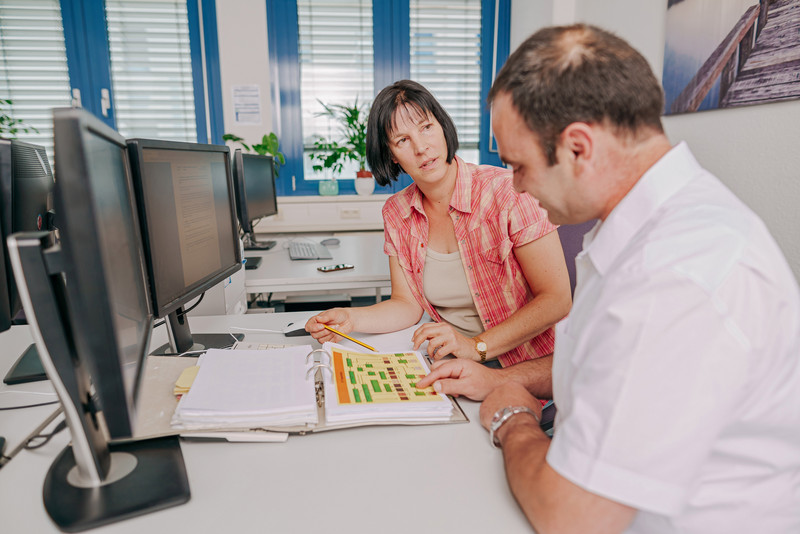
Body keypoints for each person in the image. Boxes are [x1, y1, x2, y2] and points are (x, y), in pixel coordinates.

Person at [417, 24, 800, 533]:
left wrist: (513, 421)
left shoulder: (675, 273)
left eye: (518, 165)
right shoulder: (642, 227)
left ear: (578, 148)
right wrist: (501, 380)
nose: (513, 184)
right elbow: (609, 365)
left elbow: (572, 517)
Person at [305, 80, 571, 369]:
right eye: (403, 140)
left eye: (426, 127)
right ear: (392, 155)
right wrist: (351, 318)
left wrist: (475, 347)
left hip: (529, 361)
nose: (421, 147)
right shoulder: (397, 211)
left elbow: (556, 299)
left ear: (443, 127)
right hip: (452, 358)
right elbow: (406, 304)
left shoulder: (509, 192)